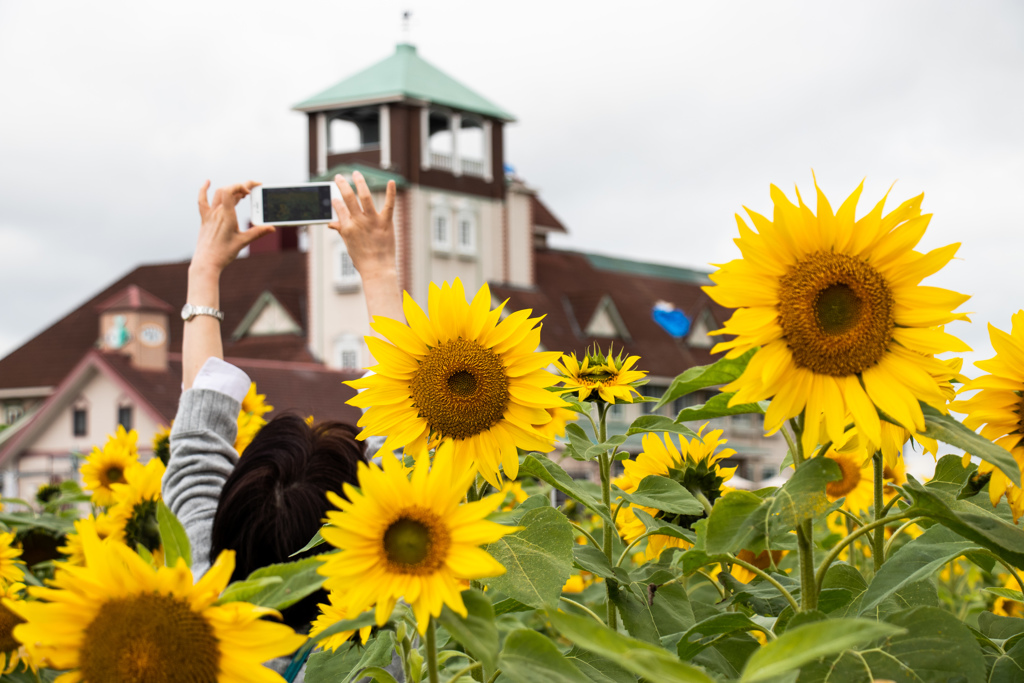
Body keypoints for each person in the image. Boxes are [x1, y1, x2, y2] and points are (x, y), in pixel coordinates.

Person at [163, 172, 402, 679]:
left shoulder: (209, 610)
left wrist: (205, 267)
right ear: (373, 530)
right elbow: (404, 441)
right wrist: (379, 270)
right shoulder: (392, 634)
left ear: (225, 524)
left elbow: (195, 455)